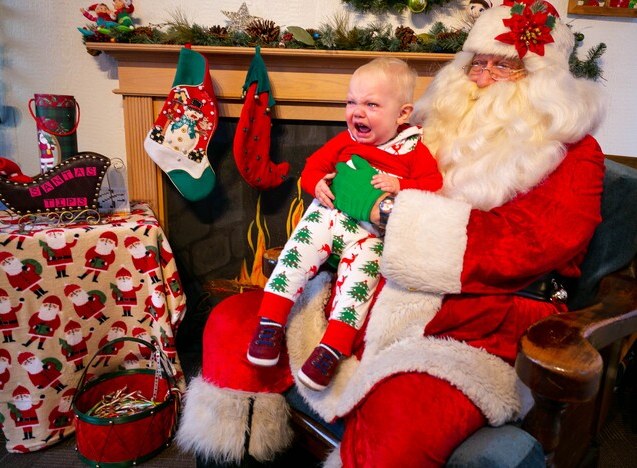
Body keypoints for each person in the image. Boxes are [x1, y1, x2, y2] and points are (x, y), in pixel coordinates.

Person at [176, 1, 607, 466]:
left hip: (471, 327)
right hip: (370, 289)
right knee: (232, 321)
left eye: (503, 67)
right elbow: (351, 168)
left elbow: (530, 245)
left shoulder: (575, 153)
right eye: (475, 63)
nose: (481, 78)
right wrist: (331, 186)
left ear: (545, 81)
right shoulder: (425, 129)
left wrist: (387, 210)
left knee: (400, 414)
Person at [246, 57, 442, 392]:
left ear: (403, 114)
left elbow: (435, 185)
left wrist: (401, 186)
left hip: (368, 237)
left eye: (371, 104)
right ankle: (271, 319)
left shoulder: (413, 150)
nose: (357, 112)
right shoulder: (344, 141)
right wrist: (316, 184)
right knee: (298, 248)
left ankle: (332, 347)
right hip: (329, 217)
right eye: (351, 102)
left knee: (362, 278)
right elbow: (311, 168)